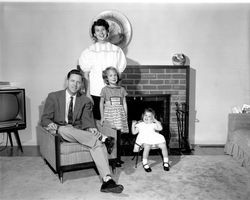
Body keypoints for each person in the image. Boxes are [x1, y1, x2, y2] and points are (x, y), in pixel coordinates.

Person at [41, 69, 124, 193]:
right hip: (61, 132)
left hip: (78, 133)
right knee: (63, 129)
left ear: (81, 85)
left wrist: (91, 128)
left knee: (96, 143)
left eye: (78, 82)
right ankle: (104, 139)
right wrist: (53, 125)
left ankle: (107, 181)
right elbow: (45, 119)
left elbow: (87, 121)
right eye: (72, 81)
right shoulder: (53, 96)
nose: (75, 85)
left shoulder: (85, 100)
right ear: (67, 81)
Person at [78, 18, 127, 120]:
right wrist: (87, 93)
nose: (101, 33)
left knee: (114, 123)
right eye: (97, 30)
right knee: (98, 122)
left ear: (107, 31)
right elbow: (86, 75)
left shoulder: (117, 51)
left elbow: (119, 74)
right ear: (94, 34)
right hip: (95, 93)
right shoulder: (89, 51)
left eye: (103, 30)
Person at [100, 67, 129, 166]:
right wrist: (102, 116)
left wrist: (125, 114)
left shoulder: (122, 89)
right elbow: (101, 103)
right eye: (110, 75)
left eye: (115, 75)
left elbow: (124, 103)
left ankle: (118, 158)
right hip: (110, 115)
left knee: (119, 136)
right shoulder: (105, 90)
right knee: (112, 136)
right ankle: (111, 158)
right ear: (106, 78)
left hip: (119, 115)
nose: (113, 77)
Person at [131, 108, 170, 173]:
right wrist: (133, 125)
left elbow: (160, 128)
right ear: (143, 116)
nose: (147, 117)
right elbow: (134, 132)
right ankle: (145, 163)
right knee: (147, 146)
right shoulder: (140, 124)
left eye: (149, 116)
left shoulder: (153, 124)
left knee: (163, 145)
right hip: (144, 140)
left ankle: (166, 162)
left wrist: (156, 121)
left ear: (152, 118)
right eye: (145, 115)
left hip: (153, 139)